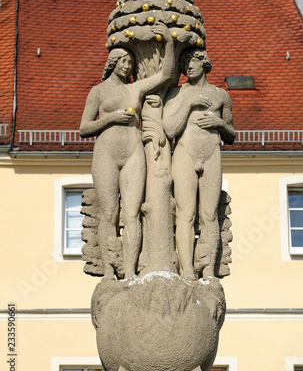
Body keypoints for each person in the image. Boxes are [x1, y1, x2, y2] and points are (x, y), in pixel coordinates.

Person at [79, 23, 174, 279]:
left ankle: (130, 270)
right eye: (123, 62)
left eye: (130, 63)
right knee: (109, 214)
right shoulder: (98, 92)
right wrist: (110, 119)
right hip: (106, 154)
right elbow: (84, 128)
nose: (127, 66)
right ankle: (110, 271)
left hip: (133, 152)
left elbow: (165, 75)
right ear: (113, 62)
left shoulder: (136, 89)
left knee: (132, 213)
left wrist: (169, 42)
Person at [163, 49, 235, 280]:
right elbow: (170, 130)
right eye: (184, 64)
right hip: (185, 154)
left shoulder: (221, 95)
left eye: (192, 61)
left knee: (210, 215)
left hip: (212, 154)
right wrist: (188, 105)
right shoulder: (176, 93)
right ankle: (186, 271)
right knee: (185, 214)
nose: (188, 67)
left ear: (204, 63)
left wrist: (219, 123)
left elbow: (231, 135)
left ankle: (208, 270)